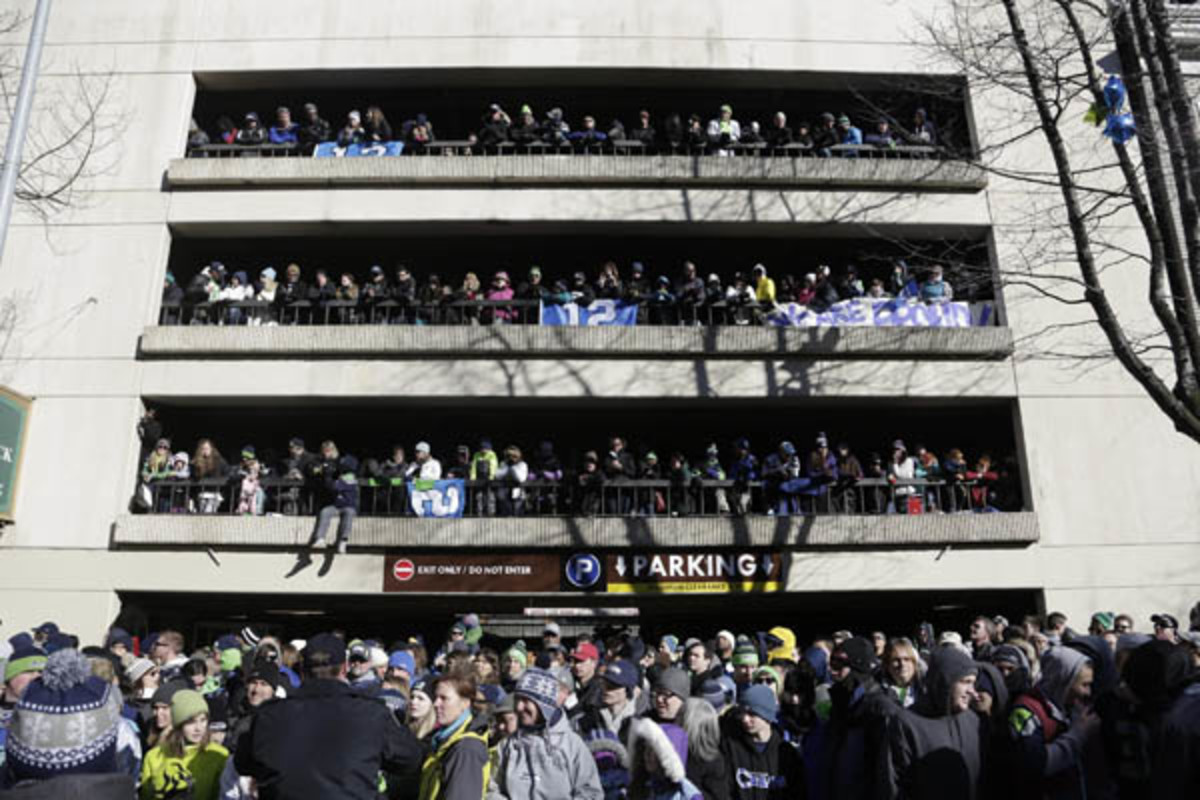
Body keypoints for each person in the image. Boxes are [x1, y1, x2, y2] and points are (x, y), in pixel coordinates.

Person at [235, 633, 425, 800]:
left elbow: (244, 762)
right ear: (344, 669)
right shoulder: (370, 714)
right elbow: (411, 759)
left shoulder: (270, 716)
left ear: (302, 671)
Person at [879, 647, 983, 800]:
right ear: (944, 681)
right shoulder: (906, 723)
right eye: (965, 682)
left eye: (973, 683)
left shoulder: (973, 721)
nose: (972, 691)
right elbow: (892, 786)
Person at [486, 667, 603, 799]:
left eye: (526, 700)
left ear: (544, 704)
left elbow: (591, 793)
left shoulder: (572, 746)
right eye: (517, 699)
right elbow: (492, 789)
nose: (519, 707)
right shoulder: (508, 745)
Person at [1005, 645, 1098, 799]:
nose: (1088, 692)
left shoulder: (1071, 708)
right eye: (1084, 685)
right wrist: (1079, 734)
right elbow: (1035, 764)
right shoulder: (1025, 712)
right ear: (1062, 682)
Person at [813, 636, 898, 800]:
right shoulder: (840, 706)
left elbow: (889, 775)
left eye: (839, 663)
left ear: (857, 666)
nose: (832, 670)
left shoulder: (881, 710)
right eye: (831, 662)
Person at [720, 684, 805, 799]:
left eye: (752, 714)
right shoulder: (730, 747)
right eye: (742, 713)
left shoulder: (786, 753)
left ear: (766, 715)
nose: (745, 719)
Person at [140, 689, 229, 800]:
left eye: (203, 720)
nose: (198, 728)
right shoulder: (154, 756)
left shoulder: (219, 755)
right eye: (191, 721)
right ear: (179, 724)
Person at [420, 673, 490, 800]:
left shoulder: (466, 750)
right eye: (436, 697)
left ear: (465, 703)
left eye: (444, 698)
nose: (436, 704)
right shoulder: (443, 740)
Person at [627, 718, 702, 800]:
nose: (647, 754)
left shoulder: (688, 796)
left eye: (653, 750)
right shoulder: (640, 789)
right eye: (645, 748)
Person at [309, 454, 360, 554]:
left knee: (348, 515)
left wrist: (327, 475)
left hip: (348, 506)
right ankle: (320, 538)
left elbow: (334, 486)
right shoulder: (340, 475)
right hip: (337, 505)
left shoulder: (350, 477)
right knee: (325, 511)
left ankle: (343, 540)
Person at [881, 638, 923, 709]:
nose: (902, 664)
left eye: (906, 659)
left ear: (914, 663)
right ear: (887, 664)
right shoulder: (879, 693)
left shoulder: (926, 688)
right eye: (896, 660)